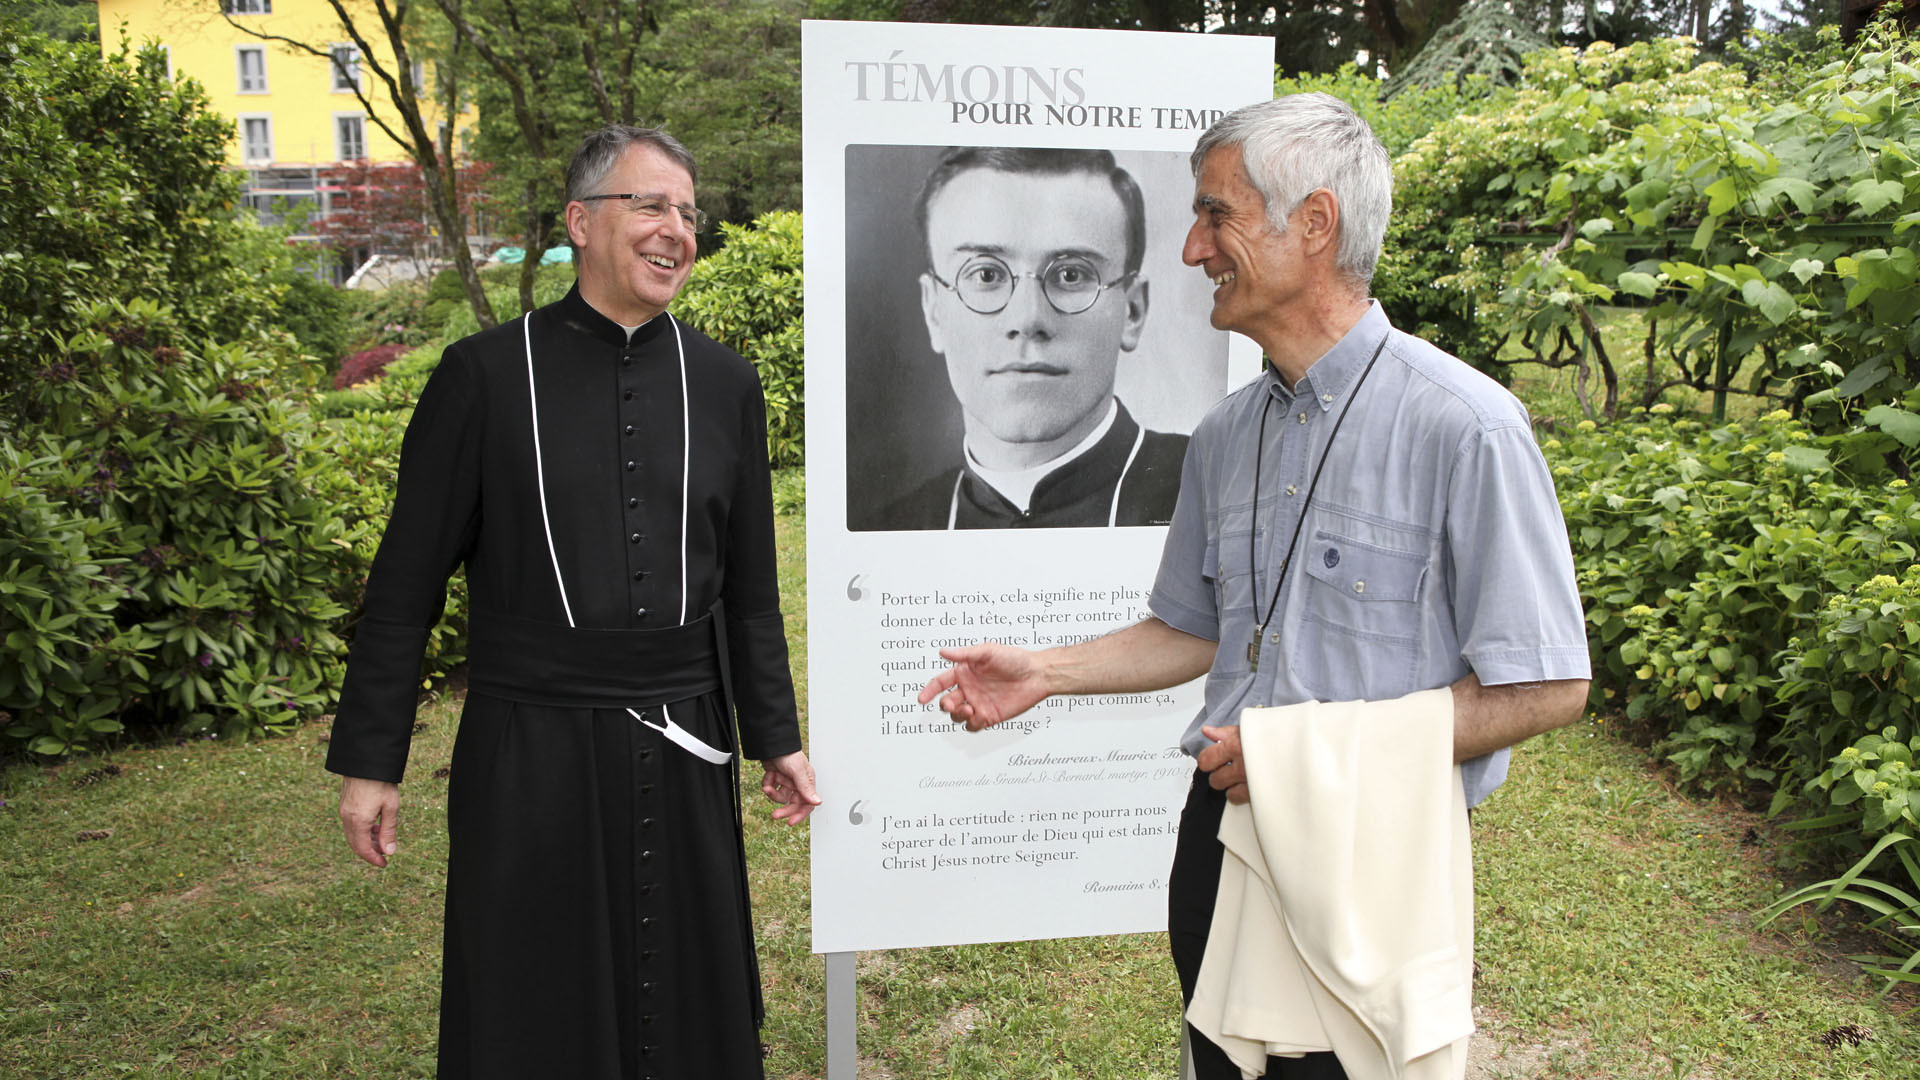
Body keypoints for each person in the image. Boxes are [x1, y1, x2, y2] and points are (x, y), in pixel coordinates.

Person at [918, 95, 1591, 1079]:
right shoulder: (1229, 435)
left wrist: (1306, 754)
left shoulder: (1467, 428)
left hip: (1369, 857)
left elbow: (1548, 686)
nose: (1193, 249)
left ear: (1313, 224)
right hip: (1219, 836)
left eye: (1216, 214)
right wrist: (1045, 673)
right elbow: (1194, 631)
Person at [326, 124, 820, 1080]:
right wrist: (370, 763)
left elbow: (751, 594)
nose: (676, 227)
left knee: (686, 997)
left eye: (688, 210)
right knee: (531, 994)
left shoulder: (726, 384)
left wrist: (778, 738)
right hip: (529, 746)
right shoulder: (482, 375)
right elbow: (404, 587)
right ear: (580, 221)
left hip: (685, 741)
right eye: (650, 204)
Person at [882, 146, 1189, 529]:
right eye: (986, 275)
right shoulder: (893, 526)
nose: (1027, 319)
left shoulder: (1211, 490)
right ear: (933, 311)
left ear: (1133, 311)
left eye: (1071, 275)